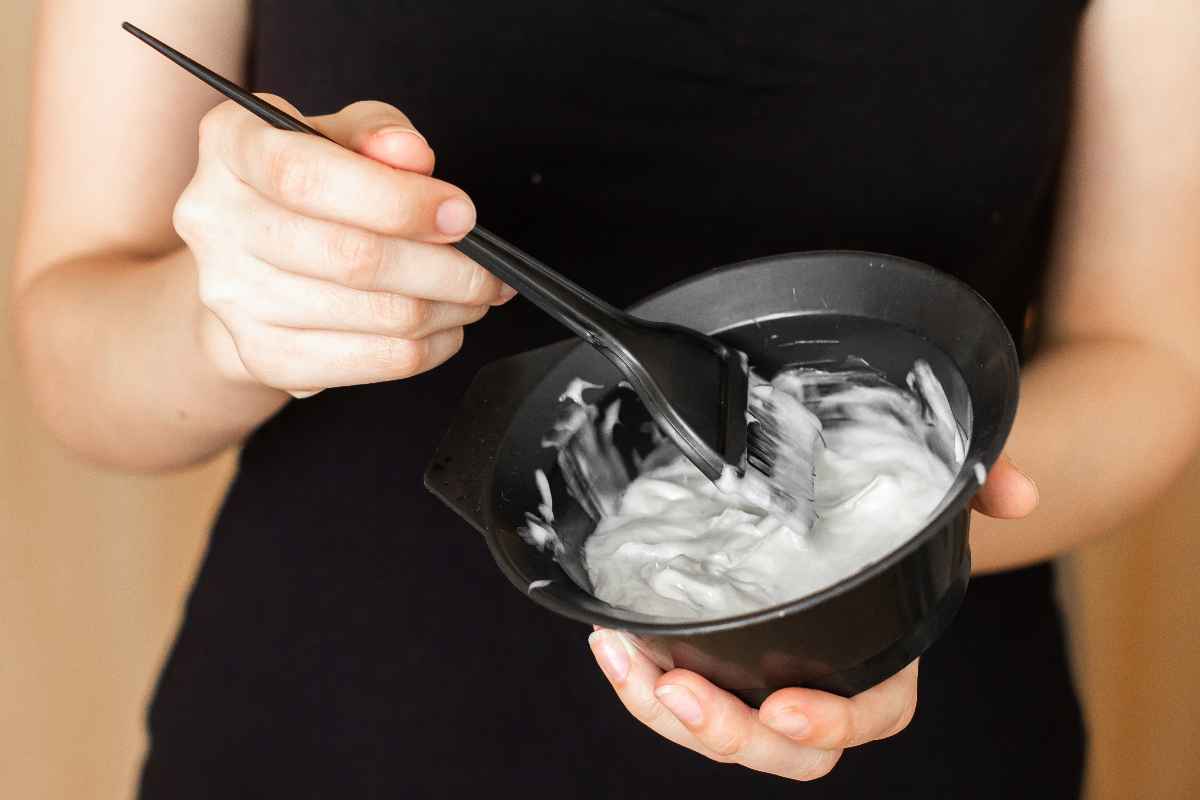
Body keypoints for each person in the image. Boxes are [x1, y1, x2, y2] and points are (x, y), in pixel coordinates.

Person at [11, 0, 1199, 796]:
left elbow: (1150, 353)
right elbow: (74, 350)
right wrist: (230, 316)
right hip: (338, 728)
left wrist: (877, 545)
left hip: (920, 722)